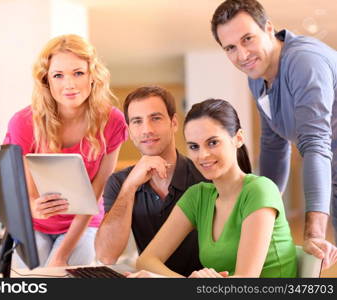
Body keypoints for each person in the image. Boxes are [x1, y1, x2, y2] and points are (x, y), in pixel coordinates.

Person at [210, 0, 337, 268]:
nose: (242, 55)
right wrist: (262, 209)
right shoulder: (256, 77)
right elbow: (273, 142)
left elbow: (314, 143)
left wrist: (313, 233)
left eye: (248, 39)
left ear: (269, 28)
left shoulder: (304, 62)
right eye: (230, 48)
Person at [128, 99, 297, 278]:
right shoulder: (198, 196)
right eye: (194, 146)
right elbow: (146, 260)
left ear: (238, 138)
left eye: (213, 143)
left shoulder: (260, 190)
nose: (203, 155)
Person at [3, 34, 128, 267]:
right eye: (58, 75)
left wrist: (61, 254)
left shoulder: (112, 121)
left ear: (92, 75)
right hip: (35, 225)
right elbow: (27, 195)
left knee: (62, 275)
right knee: (28, 279)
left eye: (78, 73)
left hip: (84, 224)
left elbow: (95, 195)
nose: (69, 84)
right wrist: (33, 207)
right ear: (46, 80)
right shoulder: (24, 123)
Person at [95, 86, 207, 276]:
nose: (147, 129)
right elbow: (106, 256)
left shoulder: (204, 175)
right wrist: (130, 186)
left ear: (173, 123)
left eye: (155, 118)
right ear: (129, 131)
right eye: (137, 121)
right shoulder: (119, 182)